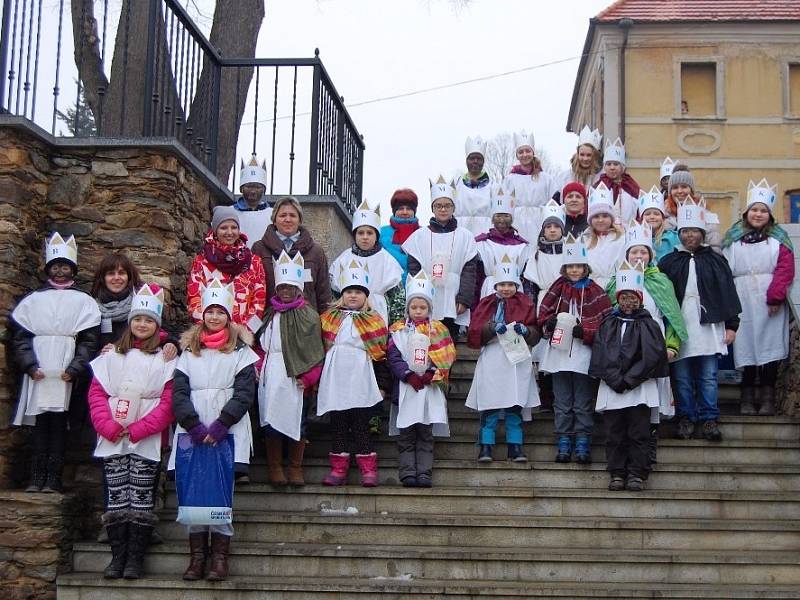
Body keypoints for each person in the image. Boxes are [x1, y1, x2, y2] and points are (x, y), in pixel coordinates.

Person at [169, 279, 258, 582]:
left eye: (221, 311)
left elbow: (245, 393)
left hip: (226, 430)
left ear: (229, 316)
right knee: (194, 492)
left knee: (220, 493)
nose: (215, 317)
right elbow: (179, 393)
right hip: (193, 431)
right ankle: (197, 558)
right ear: (202, 316)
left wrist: (222, 423)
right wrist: (193, 425)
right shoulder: (188, 352)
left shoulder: (241, 353)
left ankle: (219, 557)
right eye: (210, 311)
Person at [88, 284, 176, 579]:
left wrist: (140, 429)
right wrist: (109, 426)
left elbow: (167, 400)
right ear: (130, 322)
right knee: (116, 494)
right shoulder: (111, 355)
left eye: (149, 320)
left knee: (140, 495)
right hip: (113, 434)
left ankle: (135, 559)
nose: (142, 324)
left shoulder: (164, 359)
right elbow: (97, 395)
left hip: (145, 435)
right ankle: (117, 557)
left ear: (157, 325)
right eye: (138, 319)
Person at [12, 233, 101, 492]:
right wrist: (30, 365)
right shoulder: (33, 300)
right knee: (41, 424)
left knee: (61, 424)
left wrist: (74, 368)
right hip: (39, 370)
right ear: (48, 268)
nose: (60, 271)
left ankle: (53, 478)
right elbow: (21, 338)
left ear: (72, 269)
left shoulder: (83, 301)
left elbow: (89, 340)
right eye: (55, 266)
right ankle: (36, 477)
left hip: (65, 370)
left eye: (65, 266)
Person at [659, 199, 741, 442]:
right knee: (682, 377)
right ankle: (686, 416)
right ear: (680, 234)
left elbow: (727, 292)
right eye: (685, 231)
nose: (690, 235)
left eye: (694, 230)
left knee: (707, 376)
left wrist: (731, 325)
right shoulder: (669, 262)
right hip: (680, 327)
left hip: (708, 326)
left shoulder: (715, 260)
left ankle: (709, 418)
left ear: (702, 233)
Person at [605, 223, 688, 465]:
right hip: (624, 345)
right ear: (627, 255)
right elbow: (607, 313)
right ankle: (625, 443)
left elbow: (672, 315)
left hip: (654, 342)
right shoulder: (615, 282)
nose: (639, 256)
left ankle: (650, 442)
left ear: (650, 255)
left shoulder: (661, 281)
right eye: (634, 252)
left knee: (652, 393)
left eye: (643, 252)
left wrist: (672, 345)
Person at [590, 262, 669, 492]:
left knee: (639, 433)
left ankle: (637, 473)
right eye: (624, 298)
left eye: (632, 298)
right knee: (615, 433)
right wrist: (615, 379)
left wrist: (630, 379)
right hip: (612, 388)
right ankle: (617, 472)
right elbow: (601, 352)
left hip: (639, 389)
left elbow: (653, 356)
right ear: (618, 299)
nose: (628, 303)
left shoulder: (649, 324)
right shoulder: (607, 324)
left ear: (640, 299)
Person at [722, 179, 795, 416]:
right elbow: (724, 270)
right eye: (754, 209)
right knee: (745, 347)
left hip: (768, 297)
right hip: (742, 297)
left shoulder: (779, 238)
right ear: (746, 212)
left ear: (769, 214)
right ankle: (746, 395)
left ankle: (767, 397)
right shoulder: (733, 238)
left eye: (763, 210)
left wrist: (775, 297)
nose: (758, 214)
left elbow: (785, 268)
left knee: (769, 347)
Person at [538, 234, 612, 464]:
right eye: (570, 266)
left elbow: (604, 321)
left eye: (578, 266)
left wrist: (586, 331)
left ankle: (582, 440)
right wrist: (548, 324)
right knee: (562, 401)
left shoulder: (595, 291)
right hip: (558, 353)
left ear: (585, 267)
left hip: (582, 353)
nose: (574, 270)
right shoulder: (557, 288)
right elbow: (544, 312)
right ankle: (564, 439)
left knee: (581, 401)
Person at [317, 261, 390, 487]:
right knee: (338, 423)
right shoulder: (329, 317)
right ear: (342, 294)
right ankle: (339, 468)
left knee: (361, 423)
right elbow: (320, 348)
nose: (353, 296)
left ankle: (368, 468)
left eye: (358, 292)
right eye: (349, 291)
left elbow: (380, 354)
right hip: (335, 377)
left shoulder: (374, 320)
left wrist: (382, 384)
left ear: (365, 296)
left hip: (361, 377)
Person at [257, 251, 325, 486]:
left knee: (299, 421)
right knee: (271, 420)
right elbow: (259, 343)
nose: (285, 291)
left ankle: (295, 467)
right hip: (271, 372)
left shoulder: (310, 316)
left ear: (298, 289)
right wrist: (258, 366)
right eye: (281, 287)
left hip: (296, 376)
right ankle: (275, 466)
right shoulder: (269, 314)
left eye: (290, 287)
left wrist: (309, 377)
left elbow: (316, 351)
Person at [466, 255, 541, 462]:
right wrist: (491, 328)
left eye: (510, 284)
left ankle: (515, 446)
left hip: (516, 360)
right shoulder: (486, 304)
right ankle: (486, 445)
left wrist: (526, 331)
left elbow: (536, 332)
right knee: (490, 404)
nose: (506, 288)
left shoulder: (525, 304)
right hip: (493, 357)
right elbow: (474, 332)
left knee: (514, 404)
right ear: (495, 285)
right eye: (502, 284)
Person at [387, 271, 456, 487]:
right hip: (406, 387)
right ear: (407, 308)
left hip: (429, 388)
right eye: (414, 307)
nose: (418, 311)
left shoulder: (438, 330)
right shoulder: (397, 330)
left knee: (425, 433)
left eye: (422, 307)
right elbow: (393, 356)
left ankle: (424, 472)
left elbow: (446, 355)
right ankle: (408, 472)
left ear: (429, 309)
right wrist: (407, 374)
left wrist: (430, 373)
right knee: (406, 434)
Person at [403, 176, 479, 340]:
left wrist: (464, 299)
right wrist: (419, 294)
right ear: (432, 208)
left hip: (454, 296)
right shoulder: (419, 236)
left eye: (447, 205)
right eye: (438, 205)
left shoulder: (465, 236)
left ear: (453, 208)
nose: (443, 209)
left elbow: (469, 270)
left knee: (448, 344)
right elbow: (414, 268)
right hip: (426, 296)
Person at [187, 206, 266, 334]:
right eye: (224, 228)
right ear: (215, 230)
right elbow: (194, 299)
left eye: (234, 227)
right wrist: (211, 331)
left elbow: (259, 302)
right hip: (209, 335)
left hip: (242, 337)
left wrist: (245, 333)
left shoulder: (254, 262)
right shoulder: (202, 262)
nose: (229, 232)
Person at [252, 196, 332, 312]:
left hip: (306, 324)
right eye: (283, 215)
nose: (288, 219)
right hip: (270, 321)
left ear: (300, 220)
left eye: (293, 215)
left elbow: (324, 295)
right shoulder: (259, 249)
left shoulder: (316, 252)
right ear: (274, 220)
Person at [330, 200, 402, 326]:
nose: (365, 237)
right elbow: (334, 293)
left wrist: (395, 326)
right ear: (355, 235)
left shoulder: (387, 260)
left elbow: (397, 299)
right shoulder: (344, 259)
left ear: (376, 235)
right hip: (347, 318)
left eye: (369, 233)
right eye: (360, 233)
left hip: (377, 317)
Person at [502, 130, 557, 242]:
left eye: (528, 151)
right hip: (516, 221)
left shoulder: (546, 178)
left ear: (533, 153)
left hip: (539, 221)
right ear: (517, 155)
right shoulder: (510, 179)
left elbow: (554, 203)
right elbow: (504, 205)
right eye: (521, 152)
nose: (524, 154)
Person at [474, 188, 530, 299]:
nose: (502, 220)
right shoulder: (482, 243)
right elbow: (477, 275)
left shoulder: (523, 246)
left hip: (515, 291)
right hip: (489, 290)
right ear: (493, 218)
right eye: (498, 216)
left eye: (506, 216)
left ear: (512, 218)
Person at [665, 165, 722, 251]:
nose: (679, 191)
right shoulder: (662, 216)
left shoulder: (705, 215)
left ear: (691, 190)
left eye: (684, 187)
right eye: (675, 187)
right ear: (670, 191)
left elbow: (714, 247)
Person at [584, 182, 626, 290]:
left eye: (605, 216)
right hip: (590, 288)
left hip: (615, 286)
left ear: (611, 218)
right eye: (596, 216)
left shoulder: (621, 239)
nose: (600, 220)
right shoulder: (584, 240)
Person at [379, 188, 420, 287]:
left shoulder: (422, 233)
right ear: (394, 211)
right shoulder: (381, 233)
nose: (405, 212)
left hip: (418, 289)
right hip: (390, 287)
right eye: (401, 208)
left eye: (409, 209)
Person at [454, 136, 494, 236]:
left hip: (485, 236)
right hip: (461, 235)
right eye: (472, 158)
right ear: (466, 160)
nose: (475, 161)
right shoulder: (456, 185)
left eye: (479, 158)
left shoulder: (493, 187)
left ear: (483, 161)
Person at [593, 138, 639, 224]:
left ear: (622, 167)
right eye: (608, 164)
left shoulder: (631, 185)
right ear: (604, 167)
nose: (612, 167)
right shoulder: (599, 186)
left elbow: (640, 208)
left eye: (616, 164)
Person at [233, 155, 272, 249]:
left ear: (263, 189)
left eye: (257, 187)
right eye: (249, 186)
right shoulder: (230, 212)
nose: (253, 191)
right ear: (242, 188)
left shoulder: (272, 214)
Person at [555, 125, 602, 193]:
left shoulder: (601, 177)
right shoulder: (565, 177)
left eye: (589, 155)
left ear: (595, 156)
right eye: (582, 155)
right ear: (577, 154)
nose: (585, 159)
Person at [638, 186, 680, 263]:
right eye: (647, 214)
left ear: (663, 218)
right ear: (641, 218)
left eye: (656, 214)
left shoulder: (674, 238)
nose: (652, 217)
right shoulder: (637, 239)